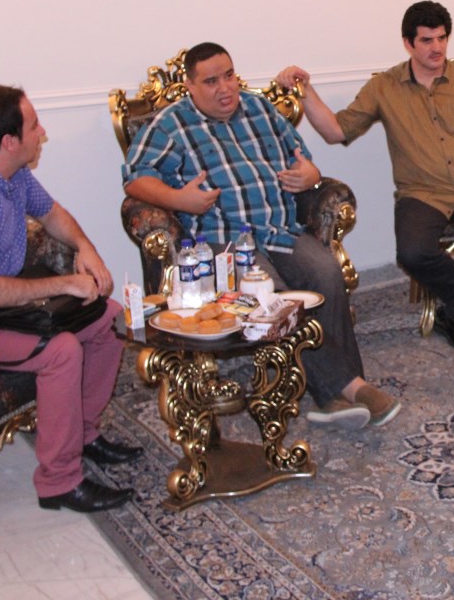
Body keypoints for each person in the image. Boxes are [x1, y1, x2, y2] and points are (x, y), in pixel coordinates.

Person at [122, 42, 400, 429]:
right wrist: (179, 200)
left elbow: (305, 163)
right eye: (211, 81)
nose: (225, 88)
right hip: (225, 241)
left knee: (326, 274)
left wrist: (310, 176)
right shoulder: (171, 125)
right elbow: (135, 179)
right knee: (276, 299)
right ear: (190, 86)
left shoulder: (260, 109)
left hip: (280, 231)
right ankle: (346, 389)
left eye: (229, 76)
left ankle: (336, 392)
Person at [0, 85, 139, 514]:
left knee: (109, 319)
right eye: (34, 125)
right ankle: (59, 482)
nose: (43, 132)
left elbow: (52, 213)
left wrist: (86, 248)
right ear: (9, 141)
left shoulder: (10, 174)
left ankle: (83, 434)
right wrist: (63, 284)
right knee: (61, 351)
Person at [275, 0, 454, 349]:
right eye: (427, 40)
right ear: (408, 43)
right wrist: (306, 90)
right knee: (413, 252)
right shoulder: (385, 87)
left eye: (442, 38)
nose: (437, 48)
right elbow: (335, 130)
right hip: (422, 193)